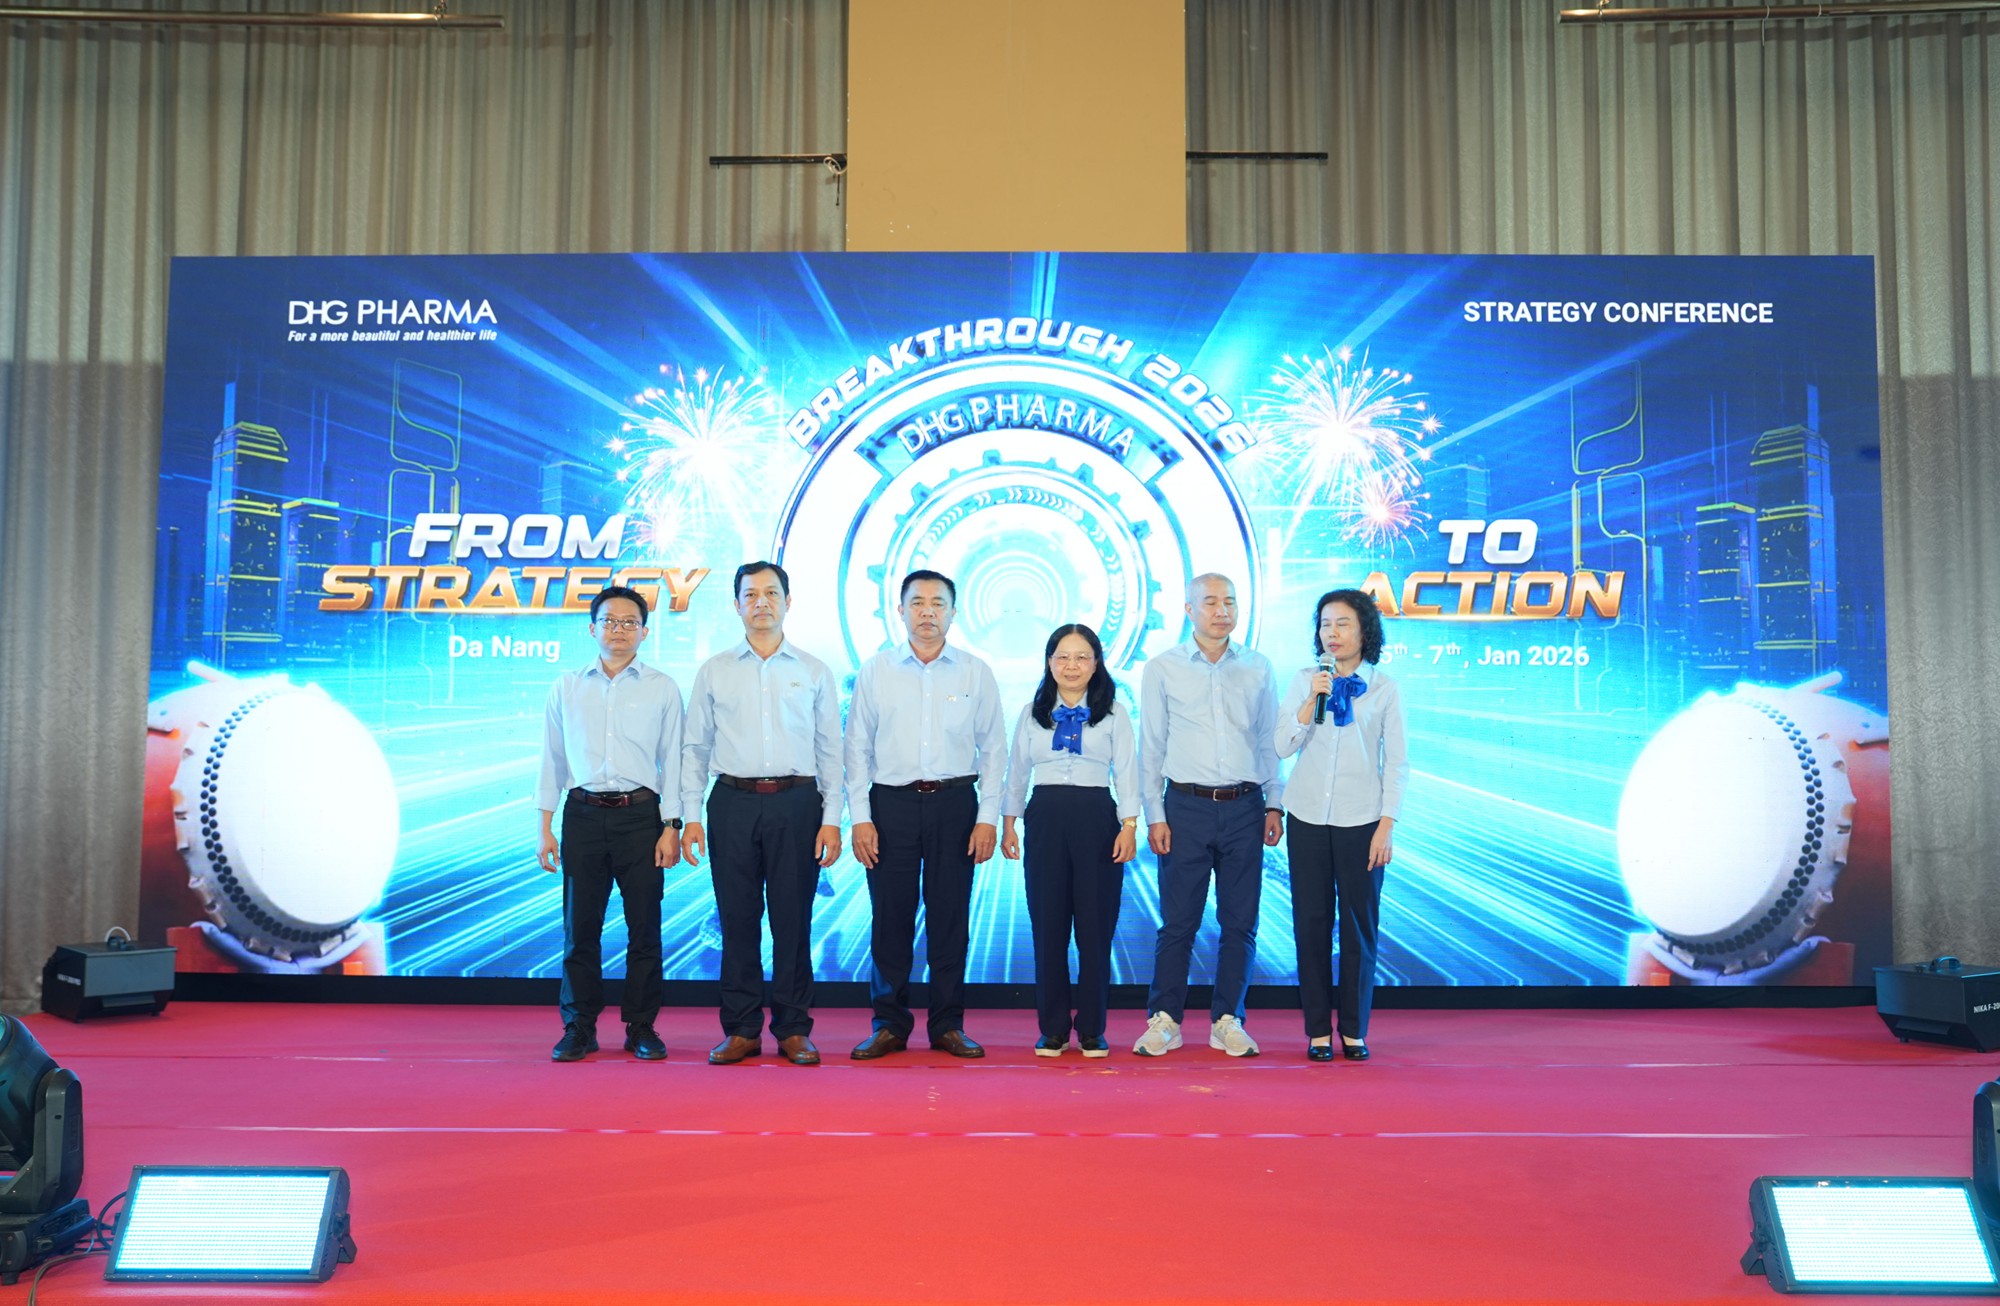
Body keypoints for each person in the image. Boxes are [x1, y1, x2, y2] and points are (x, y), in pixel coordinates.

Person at [679, 561, 843, 1067]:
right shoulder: (715, 670)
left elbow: (831, 751)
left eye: (771, 593)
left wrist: (832, 819)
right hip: (733, 801)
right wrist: (690, 816)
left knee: (794, 920)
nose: (761, 603)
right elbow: (694, 748)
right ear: (736, 605)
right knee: (737, 918)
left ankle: (793, 1028)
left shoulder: (813, 670)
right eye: (750, 594)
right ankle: (742, 1028)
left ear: (788, 602)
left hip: (798, 802)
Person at [845, 570, 1006, 1059]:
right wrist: (860, 817)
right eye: (917, 603)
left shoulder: (975, 672)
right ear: (900, 610)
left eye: (938, 603)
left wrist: (987, 817)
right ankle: (889, 1024)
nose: (928, 612)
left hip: (955, 805)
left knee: (950, 918)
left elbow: (994, 750)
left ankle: (947, 1025)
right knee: (890, 918)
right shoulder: (876, 671)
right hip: (889, 806)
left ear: (953, 613)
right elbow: (856, 749)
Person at [1134, 573, 1284, 1058]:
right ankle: (1165, 1019)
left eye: (1230, 602)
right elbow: (1151, 745)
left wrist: (1274, 802)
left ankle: (1228, 1020)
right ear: (1188, 609)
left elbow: (1269, 741)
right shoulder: (1163, 667)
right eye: (1211, 602)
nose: (1222, 611)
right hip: (1185, 807)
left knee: (1240, 921)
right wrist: (1154, 814)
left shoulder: (1258, 667)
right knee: (1178, 922)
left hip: (1246, 806)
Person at [536, 585, 683, 1063]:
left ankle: (641, 1026)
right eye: (609, 621)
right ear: (592, 628)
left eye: (629, 622)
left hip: (641, 818)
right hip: (582, 815)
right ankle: (579, 1026)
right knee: (580, 929)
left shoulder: (662, 687)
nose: (619, 630)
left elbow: (674, 762)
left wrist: (672, 826)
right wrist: (544, 826)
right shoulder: (567, 686)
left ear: (644, 631)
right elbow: (551, 760)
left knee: (645, 928)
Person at [1277, 588, 1408, 1062]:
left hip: (1362, 820)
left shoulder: (1385, 689)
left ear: (1364, 631)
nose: (1332, 633)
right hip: (1308, 816)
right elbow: (1282, 745)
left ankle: (1353, 1029)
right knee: (1310, 924)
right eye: (1325, 624)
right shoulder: (1303, 680)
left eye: (1343, 623)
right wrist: (1311, 700)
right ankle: (1316, 1030)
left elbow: (1397, 763)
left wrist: (1386, 825)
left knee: (1358, 927)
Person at [1000, 625, 1139, 1057]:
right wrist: (1009, 823)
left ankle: (1093, 1028)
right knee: (1049, 925)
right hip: (1045, 816)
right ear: (1049, 662)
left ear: (1096, 664)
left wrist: (1130, 826)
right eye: (1062, 657)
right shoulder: (1032, 712)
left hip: (1097, 818)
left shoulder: (1114, 713)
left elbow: (1127, 772)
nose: (1071, 666)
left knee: (1096, 927)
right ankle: (1053, 1028)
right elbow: (1016, 771)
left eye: (1082, 657)